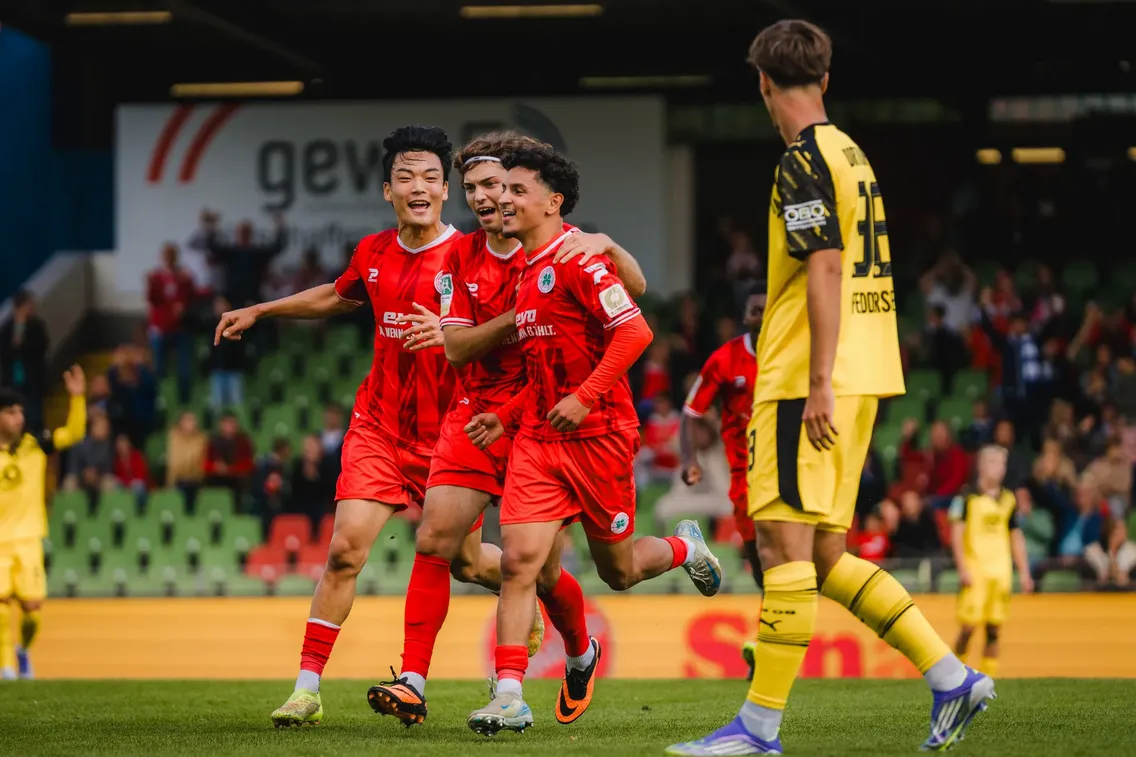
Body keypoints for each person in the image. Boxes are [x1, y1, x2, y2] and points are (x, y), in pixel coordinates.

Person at [668, 21, 988, 757]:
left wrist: (814, 381)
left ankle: (757, 729)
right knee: (825, 555)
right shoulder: (853, 153)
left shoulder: (802, 159)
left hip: (807, 379)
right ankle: (950, 676)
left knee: (781, 544)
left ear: (761, 83)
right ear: (825, 77)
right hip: (865, 372)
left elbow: (824, 266)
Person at [367, 132, 649, 728]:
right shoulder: (460, 256)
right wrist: (519, 316)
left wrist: (606, 246)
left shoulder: (558, 247)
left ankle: (579, 651)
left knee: (553, 570)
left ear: (527, 192)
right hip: (477, 414)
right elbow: (459, 348)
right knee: (440, 541)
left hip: (549, 416)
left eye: (497, 186)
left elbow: (635, 303)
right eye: (471, 189)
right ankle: (418, 680)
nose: (486, 199)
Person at [462, 145, 722, 736]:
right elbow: (540, 374)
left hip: (601, 438)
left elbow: (635, 332)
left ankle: (684, 549)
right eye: (502, 192)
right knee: (520, 562)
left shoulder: (580, 259)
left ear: (553, 203)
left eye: (517, 190)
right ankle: (508, 694)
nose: (504, 199)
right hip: (540, 440)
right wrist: (508, 415)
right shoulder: (526, 275)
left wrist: (586, 397)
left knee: (620, 572)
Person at [680, 283, 766, 680]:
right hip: (744, 474)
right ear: (744, 316)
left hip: (788, 471)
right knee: (761, 560)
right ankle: (770, 638)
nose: (763, 316)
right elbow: (691, 411)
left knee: (780, 554)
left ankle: (771, 641)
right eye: (755, 310)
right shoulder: (725, 360)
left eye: (769, 308)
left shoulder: (793, 351)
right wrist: (689, 458)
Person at [0, 366, 86, 680]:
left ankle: (22, 651)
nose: (19, 418)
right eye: (10, 413)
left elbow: (73, 433)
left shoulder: (35, 444)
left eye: (20, 412)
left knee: (33, 611)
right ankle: (5, 666)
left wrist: (77, 398)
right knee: (0, 607)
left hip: (29, 540)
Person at [949, 446, 1033, 678]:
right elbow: (956, 534)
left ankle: (988, 679)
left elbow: (1015, 536)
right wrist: (962, 567)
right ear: (982, 465)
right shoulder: (966, 497)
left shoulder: (1008, 499)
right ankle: (954, 676)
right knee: (967, 627)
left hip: (1001, 572)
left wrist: (1025, 572)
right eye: (994, 462)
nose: (999, 468)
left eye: (1002, 463)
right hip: (976, 571)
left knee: (994, 629)